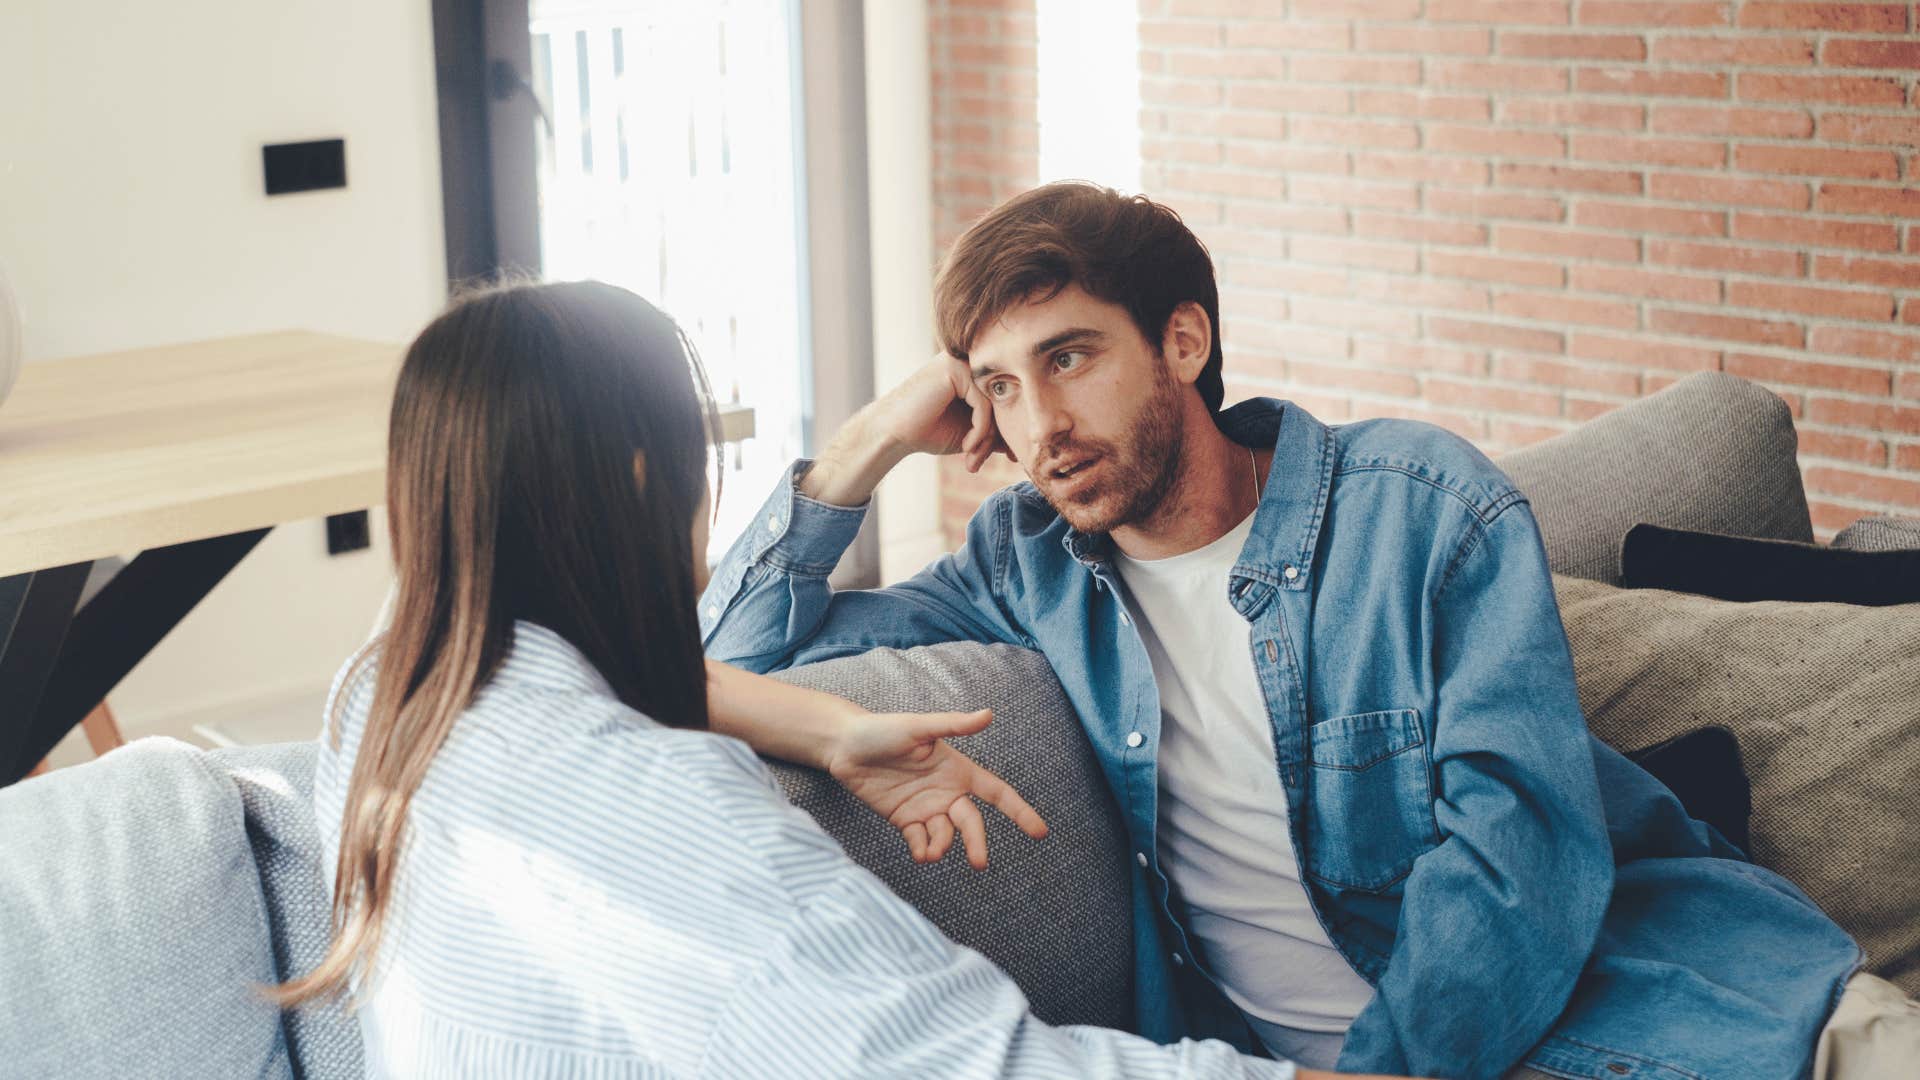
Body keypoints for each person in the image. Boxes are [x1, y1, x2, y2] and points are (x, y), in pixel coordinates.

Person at [701, 182, 1916, 1078]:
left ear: (1183, 341)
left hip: (1697, 1019)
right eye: (1000, 385)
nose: (1040, 427)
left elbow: (1520, 849)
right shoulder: (1026, 563)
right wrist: (862, 445)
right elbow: (733, 659)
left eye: (1069, 358)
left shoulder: (1417, 508)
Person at [279, 280, 1387, 1078]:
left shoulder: (388, 685)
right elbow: (968, 1064)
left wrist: (820, 727)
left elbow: (671, 679)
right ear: (641, 474)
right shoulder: (658, 810)